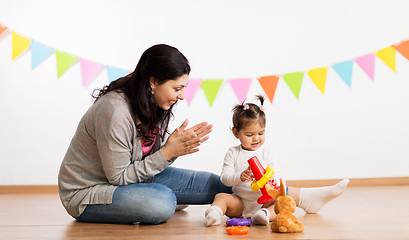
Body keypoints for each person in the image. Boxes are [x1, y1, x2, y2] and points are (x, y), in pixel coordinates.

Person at [58, 44, 231, 225]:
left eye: (184, 88)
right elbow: (118, 178)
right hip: (88, 192)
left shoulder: (152, 103)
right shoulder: (115, 112)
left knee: (219, 185)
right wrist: (168, 152)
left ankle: (261, 203)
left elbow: (149, 159)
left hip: (136, 178)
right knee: (162, 202)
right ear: (154, 81)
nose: (182, 96)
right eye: (177, 88)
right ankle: (157, 196)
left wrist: (173, 148)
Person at [204, 95, 349, 226]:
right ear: (236, 133)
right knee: (221, 196)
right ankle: (214, 213)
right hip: (240, 202)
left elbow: (277, 174)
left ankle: (264, 215)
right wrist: (240, 176)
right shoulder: (233, 153)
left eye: (261, 133)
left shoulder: (267, 151)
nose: (256, 138)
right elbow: (225, 179)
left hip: (265, 201)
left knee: (281, 203)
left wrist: (272, 181)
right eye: (249, 134)